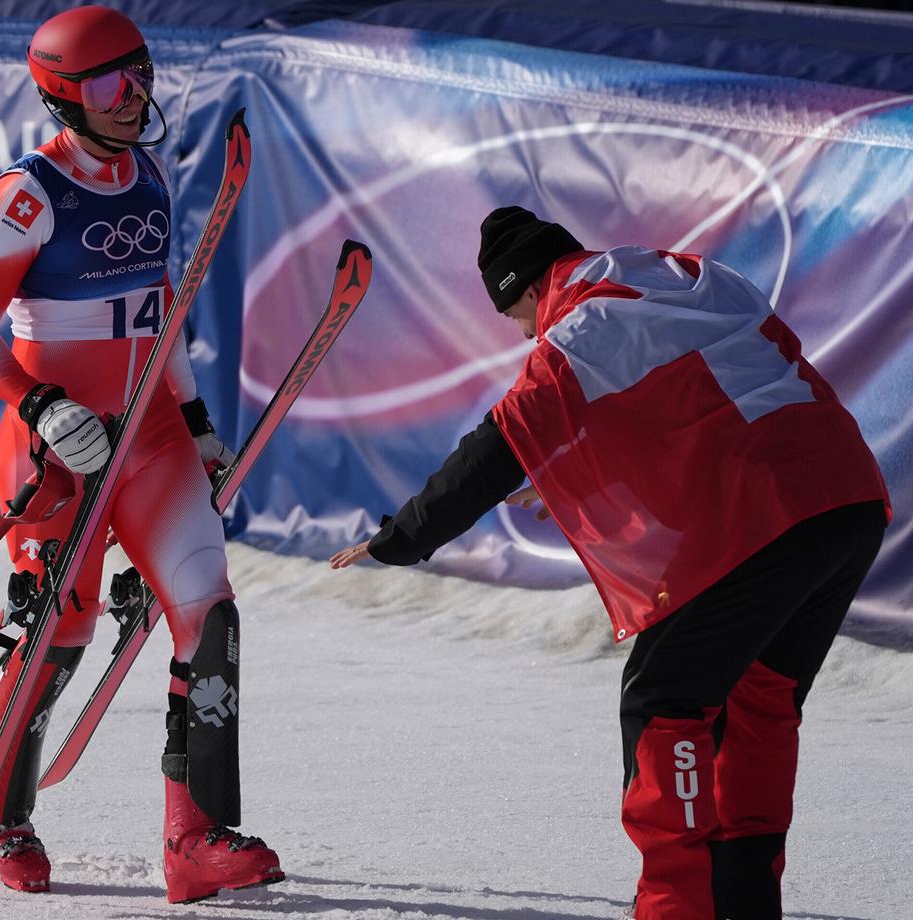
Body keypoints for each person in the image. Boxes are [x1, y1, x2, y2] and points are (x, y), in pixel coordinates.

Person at [330, 206, 890, 920]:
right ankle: (746, 902)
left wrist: (401, 537)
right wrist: (570, 474)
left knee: (663, 700)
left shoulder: (581, 324)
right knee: (757, 701)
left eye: (516, 319)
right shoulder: (684, 273)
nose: (525, 335)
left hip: (767, 513)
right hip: (846, 496)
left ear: (526, 289)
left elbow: (494, 448)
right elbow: (715, 392)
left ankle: (678, 908)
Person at [0, 5, 283, 903]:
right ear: (63, 97)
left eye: (140, 74)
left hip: (151, 434)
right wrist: (42, 405)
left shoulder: (149, 174)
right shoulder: (29, 194)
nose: (131, 97)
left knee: (210, 613)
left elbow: (160, 313)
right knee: (59, 629)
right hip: (59, 450)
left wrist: (196, 419)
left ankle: (197, 839)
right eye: (106, 84)